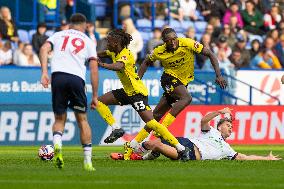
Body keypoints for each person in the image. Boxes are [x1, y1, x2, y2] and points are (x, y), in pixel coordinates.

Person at [123, 27, 227, 159]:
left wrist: (218, 75)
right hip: (169, 79)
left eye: (174, 39)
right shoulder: (159, 51)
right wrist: (137, 81)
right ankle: (162, 130)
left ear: (177, 37)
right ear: (163, 41)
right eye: (168, 41)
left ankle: (132, 145)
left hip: (182, 82)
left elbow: (210, 54)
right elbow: (145, 62)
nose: (172, 42)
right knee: (186, 98)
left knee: (155, 116)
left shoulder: (188, 43)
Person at [96, 29, 190, 161]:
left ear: (116, 42)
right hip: (127, 91)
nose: (107, 42)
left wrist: (101, 64)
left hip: (137, 93)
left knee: (152, 123)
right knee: (98, 102)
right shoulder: (112, 51)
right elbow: (100, 53)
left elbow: (118, 66)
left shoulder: (126, 54)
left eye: (109, 40)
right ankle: (116, 128)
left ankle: (180, 148)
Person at [39, 13, 99, 171]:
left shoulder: (58, 35)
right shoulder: (87, 40)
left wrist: (44, 72)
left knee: (59, 118)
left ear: (70, 24)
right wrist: (94, 96)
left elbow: (44, 48)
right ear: (85, 25)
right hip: (76, 79)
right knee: (82, 120)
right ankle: (87, 162)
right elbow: (94, 68)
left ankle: (57, 145)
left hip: (58, 76)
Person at [111, 107, 281, 161]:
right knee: (154, 140)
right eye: (228, 125)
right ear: (219, 127)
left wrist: (266, 158)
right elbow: (203, 121)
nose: (230, 128)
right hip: (185, 141)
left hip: (192, 154)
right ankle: (136, 154)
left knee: (155, 144)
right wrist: (219, 112)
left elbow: (244, 157)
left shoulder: (228, 149)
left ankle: (134, 156)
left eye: (231, 127)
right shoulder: (211, 131)